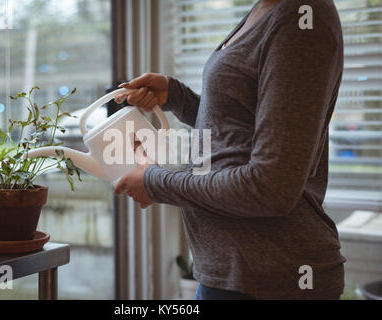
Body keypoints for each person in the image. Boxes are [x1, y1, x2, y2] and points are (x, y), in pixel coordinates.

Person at [114, 0, 346, 300]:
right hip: (231, 273)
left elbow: (270, 187)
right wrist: (178, 97)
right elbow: (242, 128)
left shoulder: (301, 19)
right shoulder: (265, 9)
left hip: (271, 279)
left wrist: (155, 183)